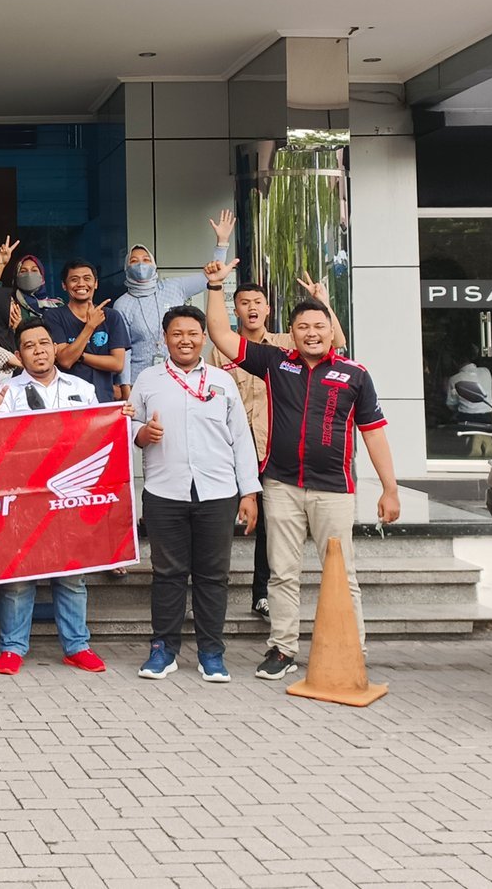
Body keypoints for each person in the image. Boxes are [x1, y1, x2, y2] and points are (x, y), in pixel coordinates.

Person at [204, 259, 401, 680]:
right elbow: (220, 334)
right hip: (281, 486)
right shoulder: (276, 362)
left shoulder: (354, 375)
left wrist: (390, 488)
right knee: (282, 573)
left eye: (319, 326)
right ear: (291, 333)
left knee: (342, 575)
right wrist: (216, 286)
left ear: (332, 330)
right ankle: (282, 648)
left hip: (334, 490)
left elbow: (374, 434)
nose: (312, 333)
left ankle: (351, 650)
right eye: (304, 327)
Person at [129, 306, 260, 684]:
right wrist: (141, 434)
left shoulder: (222, 381)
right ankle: (163, 650)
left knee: (212, 576)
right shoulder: (148, 380)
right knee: (167, 574)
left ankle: (211, 652)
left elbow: (241, 439)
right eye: (176, 334)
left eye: (192, 334)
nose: (184, 340)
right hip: (164, 491)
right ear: (164, 339)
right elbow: (129, 424)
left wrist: (249, 492)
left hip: (217, 492)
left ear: (204, 337)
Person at [206, 275, 349, 620]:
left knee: (269, 529)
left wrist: (322, 302)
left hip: (270, 449)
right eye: (244, 303)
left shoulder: (287, 344)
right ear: (236, 310)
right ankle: (210, 597)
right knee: (218, 524)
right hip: (230, 449)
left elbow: (337, 342)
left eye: (258, 302)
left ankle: (261, 595)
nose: (252, 308)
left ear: (268, 309)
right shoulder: (223, 350)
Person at [0, 319, 107, 676]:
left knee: (72, 574)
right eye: (29, 346)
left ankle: (77, 646)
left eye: (44, 343)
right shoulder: (6, 392)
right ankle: (12, 647)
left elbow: (99, 436)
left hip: (70, 494)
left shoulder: (82, 388)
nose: (38, 350)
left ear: (55, 348)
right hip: (24, 497)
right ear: (19, 354)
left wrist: (119, 419)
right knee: (19, 576)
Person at [113, 212, 235, 393]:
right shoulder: (122, 304)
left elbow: (212, 275)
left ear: (154, 264)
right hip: (141, 380)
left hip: (179, 374)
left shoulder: (173, 287)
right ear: (126, 267)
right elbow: (125, 350)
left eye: (146, 260)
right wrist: (126, 388)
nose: (141, 265)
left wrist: (222, 243)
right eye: (134, 261)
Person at [44, 259, 131, 403]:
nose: (81, 284)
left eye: (87, 278)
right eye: (74, 279)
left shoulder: (111, 317)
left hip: (103, 400)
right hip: (67, 401)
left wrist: (80, 356)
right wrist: (90, 326)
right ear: (64, 285)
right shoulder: (53, 316)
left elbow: (117, 364)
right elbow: (65, 360)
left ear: (95, 283)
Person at [447, 358, 492, 457]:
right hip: (487, 418)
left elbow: (450, 404)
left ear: (455, 362)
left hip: (467, 419)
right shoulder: (486, 371)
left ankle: (473, 443)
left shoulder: (454, 379)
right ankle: (484, 441)